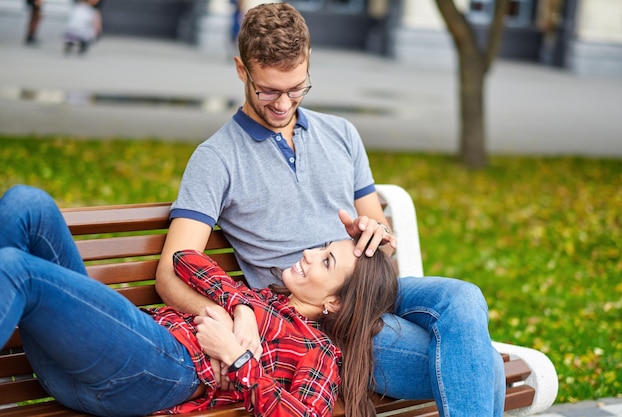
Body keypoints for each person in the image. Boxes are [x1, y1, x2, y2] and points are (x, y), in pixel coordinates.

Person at [155, 3, 506, 416]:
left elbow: (384, 245)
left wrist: (374, 233)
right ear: (240, 70)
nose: (283, 104)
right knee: (485, 367)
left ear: (308, 66)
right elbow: (170, 272)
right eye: (268, 90)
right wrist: (238, 311)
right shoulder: (216, 158)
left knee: (465, 299)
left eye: (297, 88)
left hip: (371, 288)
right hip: (315, 318)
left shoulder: (341, 134)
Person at [0, 185, 397, 417]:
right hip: (93, 356)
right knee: (27, 204)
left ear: (335, 303)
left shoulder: (319, 352)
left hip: (155, 370)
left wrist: (238, 359)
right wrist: (237, 310)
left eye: (326, 261)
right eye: (323, 246)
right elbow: (184, 259)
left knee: (17, 268)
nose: (310, 253)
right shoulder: (262, 298)